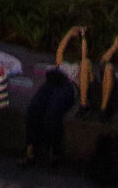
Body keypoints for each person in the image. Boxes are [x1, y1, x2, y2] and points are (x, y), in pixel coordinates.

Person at [22, 28, 82, 168]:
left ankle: (53, 152)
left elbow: (84, 56)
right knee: (33, 109)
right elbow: (60, 50)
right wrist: (69, 33)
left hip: (67, 85)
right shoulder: (61, 64)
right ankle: (30, 152)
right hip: (54, 81)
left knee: (52, 114)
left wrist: (83, 39)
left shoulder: (80, 66)